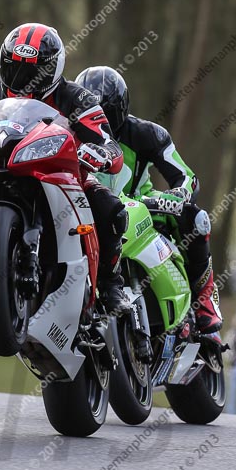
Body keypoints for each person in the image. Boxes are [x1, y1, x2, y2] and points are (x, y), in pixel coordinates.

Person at [0, 22, 130, 314]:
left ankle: (111, 285)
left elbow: (108, 143)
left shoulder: (77, 97)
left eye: (36, 70)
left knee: (111, 209)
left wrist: (102, 154)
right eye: (15, 67)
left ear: (55, 67)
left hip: (62, 178)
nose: (24, 78)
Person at [74, 65, 222, 333]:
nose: (100, 122)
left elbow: (186, 177)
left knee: (196, 219)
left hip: (142, 203)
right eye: (91, 114)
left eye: (105, 113)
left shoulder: (146, 134)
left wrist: (179, 195)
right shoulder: (67, 134)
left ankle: (204, 298)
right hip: (88, 210)